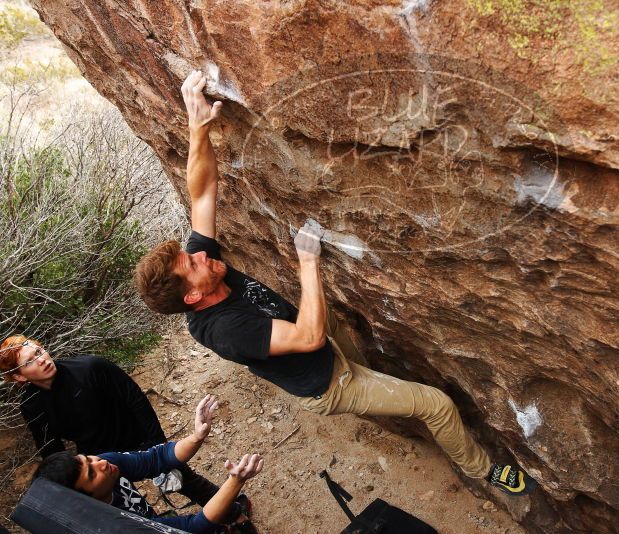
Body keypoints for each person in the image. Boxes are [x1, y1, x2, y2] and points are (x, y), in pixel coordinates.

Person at [133, 70, 534, 496]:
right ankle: (482, 470)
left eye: (192, 252)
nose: (201, 255)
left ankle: (383, 391)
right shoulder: (226, 330)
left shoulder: (202, 271)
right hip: (327, 382)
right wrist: (308, 260)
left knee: (364, 358)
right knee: (435, 404)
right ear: (193, 296)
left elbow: (203, 193)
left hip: (321, 339)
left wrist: (197, 127)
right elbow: (308, 336)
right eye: (191, 263)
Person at [0, 335, 254, 529]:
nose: (43, 359)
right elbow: (50, 448)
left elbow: (135, 399)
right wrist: (67, 489)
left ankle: (232, 511)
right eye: (30, 361)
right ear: (19, 377)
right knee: (122, 509)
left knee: (182, 478)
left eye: (40, 351)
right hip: (98, 456)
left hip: (137, 439)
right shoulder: (32, 405)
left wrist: (156, 441)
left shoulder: (90, 368)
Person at [34, 394, 263, 534]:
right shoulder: (113, 527)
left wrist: (196, 436)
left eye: (88, 459)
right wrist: (236, 481)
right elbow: (193, 527)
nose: (99, 463)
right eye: (92, 475)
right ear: (85, 500)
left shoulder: (105, 463)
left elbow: (156, 459)